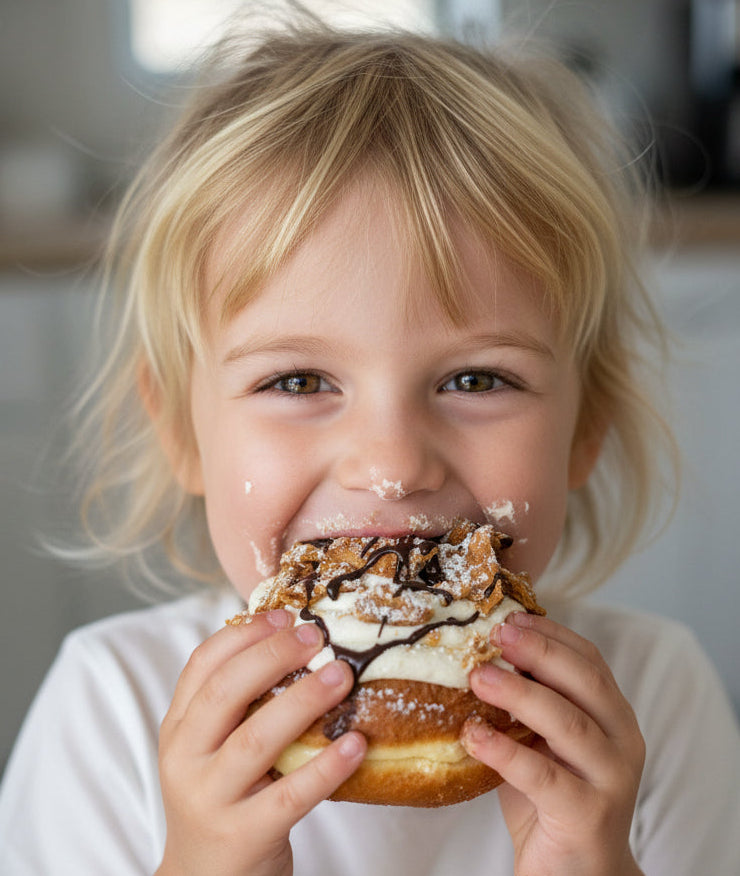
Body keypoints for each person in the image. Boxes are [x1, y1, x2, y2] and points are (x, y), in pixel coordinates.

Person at [1, 17, 738, 876]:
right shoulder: (113, 704)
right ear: (180, 433)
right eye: (299, 382)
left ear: (585, 430)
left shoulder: (650, 700)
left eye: (474, 381)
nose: (390, 466)